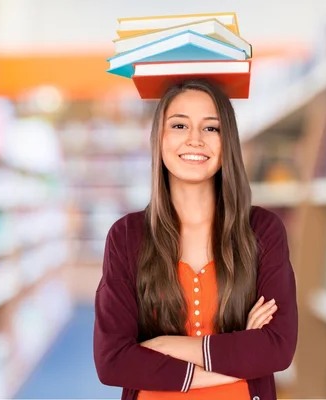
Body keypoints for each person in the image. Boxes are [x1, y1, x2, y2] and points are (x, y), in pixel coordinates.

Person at [93, 79, 298, 400]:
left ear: (227, 141)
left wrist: (163, 346)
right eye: (179, 125)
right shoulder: (127, 236)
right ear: (158, 139)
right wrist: (240, 350)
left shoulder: (262, 229)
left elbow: (278, 348)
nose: (194, 139)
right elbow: (111, 362)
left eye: (211, 128)